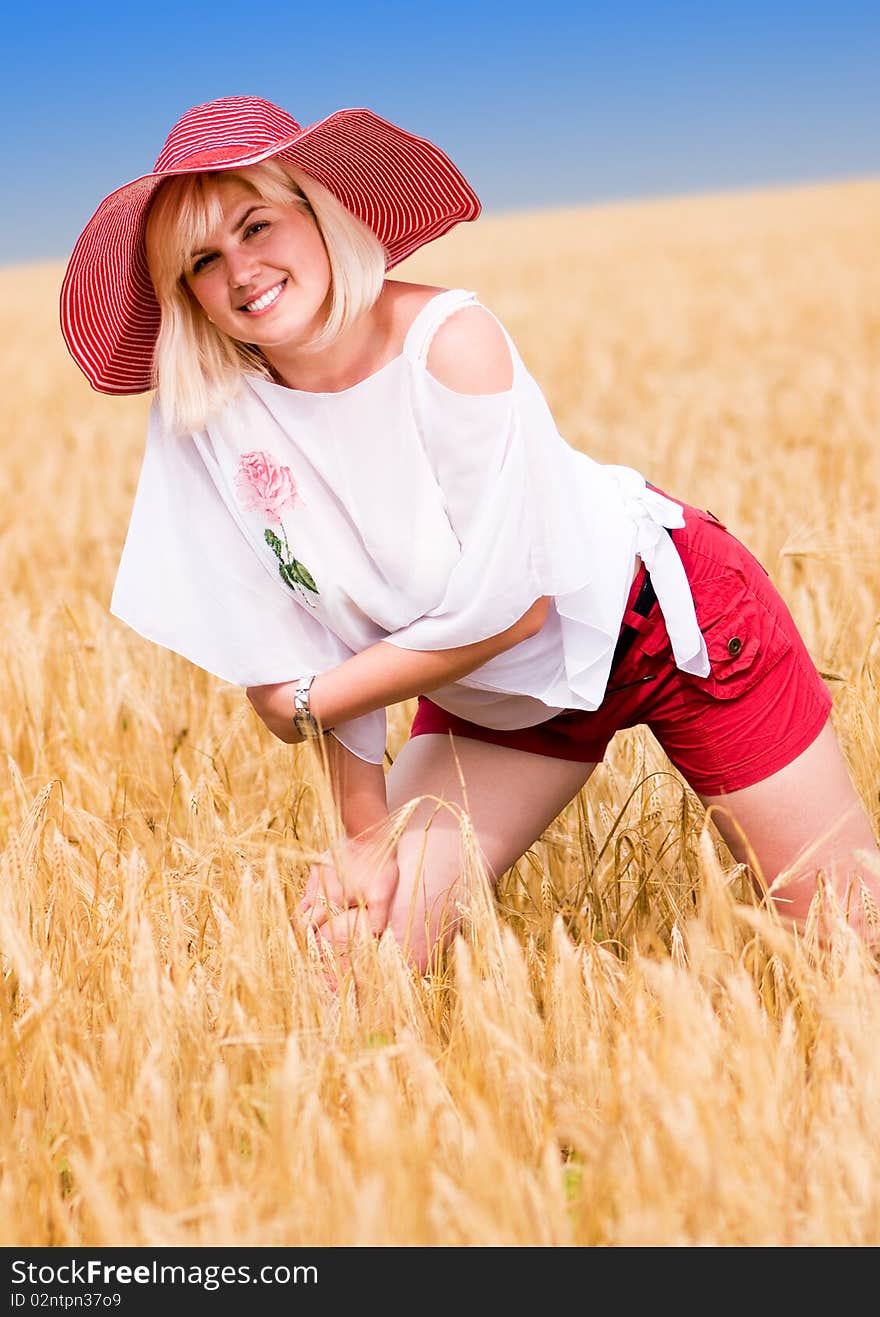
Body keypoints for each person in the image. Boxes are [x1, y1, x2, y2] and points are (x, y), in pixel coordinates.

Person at [62, 96, 880, 974]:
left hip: (665, 624)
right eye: (203, 262)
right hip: (494, 698)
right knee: (349, 961)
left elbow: (516, 608)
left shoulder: (450, 341)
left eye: (257, 226)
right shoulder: (217, 418)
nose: (242, 271)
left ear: (318, 209)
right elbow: (307, 636)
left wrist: (303, 704)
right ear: (190, 297)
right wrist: (364, 835)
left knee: (852, 946)